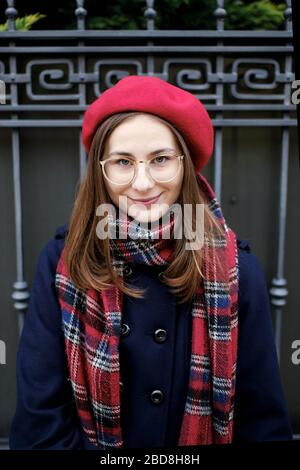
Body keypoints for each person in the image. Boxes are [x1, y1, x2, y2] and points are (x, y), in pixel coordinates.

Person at [9, 75, 292, 450]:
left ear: (185, 164)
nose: (142, 183)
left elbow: (260, 419)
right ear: (101, 171)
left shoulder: (233, 266)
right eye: (123, 162)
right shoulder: (65, 259)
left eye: (160, 159)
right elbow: (40, 417)